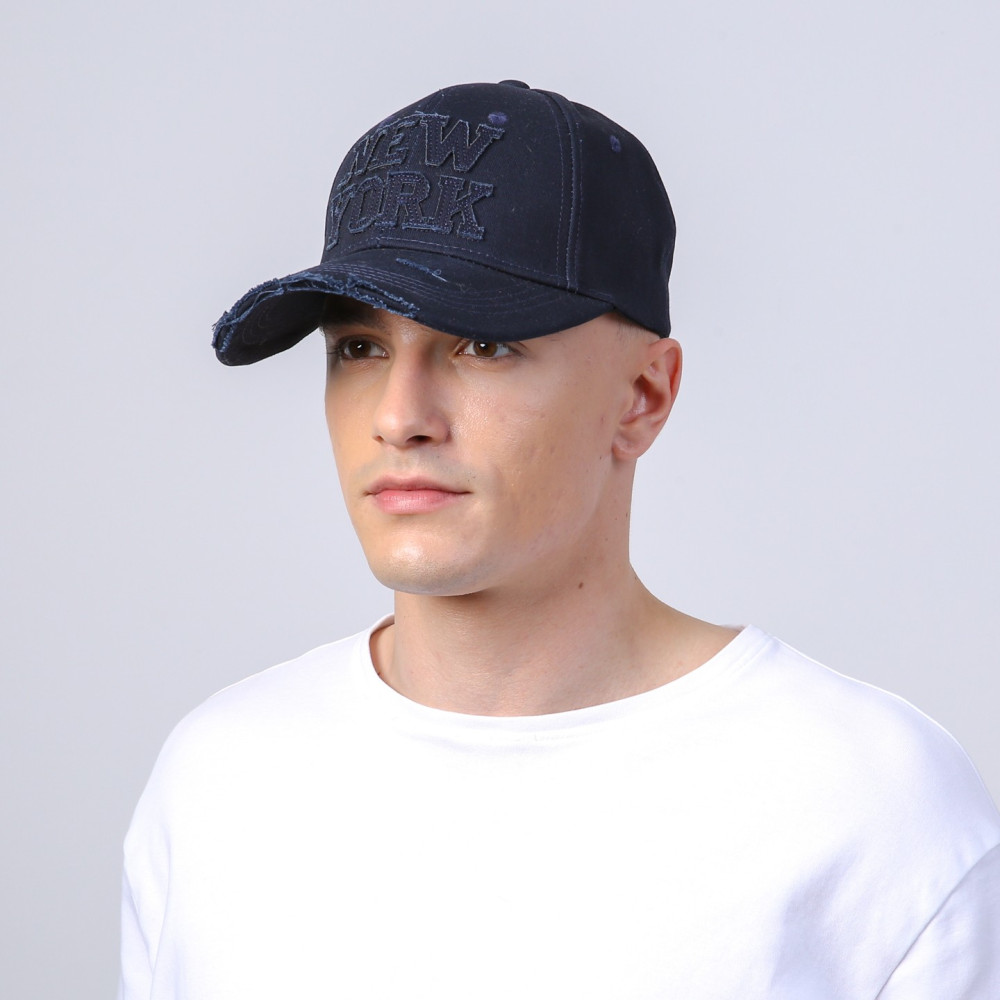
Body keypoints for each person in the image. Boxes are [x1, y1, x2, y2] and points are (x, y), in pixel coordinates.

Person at [118, 81, 1000, 999]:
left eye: (483, 346)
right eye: (359, 348)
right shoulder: (219, 777)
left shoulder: (870, 805)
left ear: (643, 397)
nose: (398, 416)